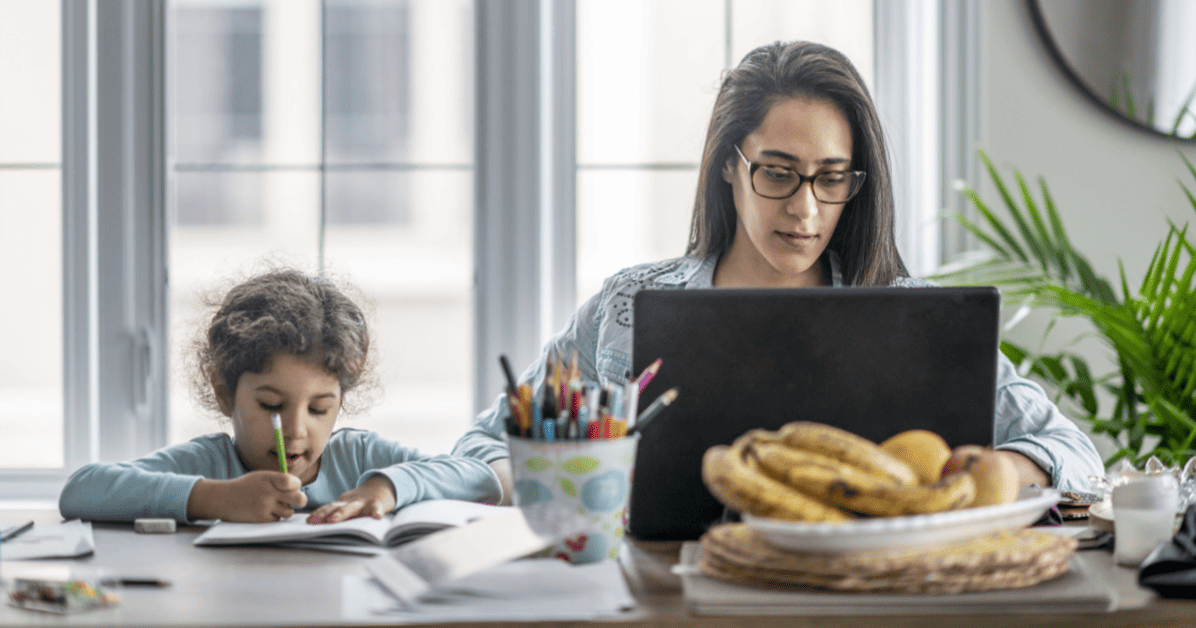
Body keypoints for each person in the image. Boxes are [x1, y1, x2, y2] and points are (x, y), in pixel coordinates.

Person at [453, 40, 1104, 503]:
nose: (805, 208)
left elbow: (1077, 456)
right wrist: (561, 476)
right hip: (658, 598)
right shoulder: (626, 306)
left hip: (884, 601)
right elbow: (489, 446)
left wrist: (998, 470)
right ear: (729, 165)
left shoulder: (919, 317)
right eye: (777, 172)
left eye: (831, 178)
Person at [59, 268, 502, 523]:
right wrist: (215, 498)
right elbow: (81, 491)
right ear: (223, 392)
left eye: (319, 408)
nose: (294, 429)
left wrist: (387, 486)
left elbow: (479, 477)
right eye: (271, 406)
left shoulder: (360, 458)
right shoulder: (209, 466)